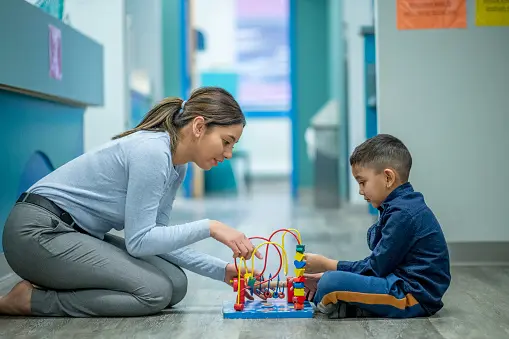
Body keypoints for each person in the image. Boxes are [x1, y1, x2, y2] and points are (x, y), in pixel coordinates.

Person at [0, 86, 262, 317]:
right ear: (198, 126)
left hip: (75, 233)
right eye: (226, 142)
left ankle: (56, 280)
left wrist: (222, 271)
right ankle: (33, 301)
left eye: (233, 146)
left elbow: (156, 238)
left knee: (176, 284)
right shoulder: (152, 152)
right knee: (154, 292)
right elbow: (139, 242)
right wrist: (210, 227)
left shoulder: (176, 165)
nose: (228, 153)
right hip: (37, 233)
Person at [302, 134, 451, 319]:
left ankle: (346, 301)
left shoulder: (403, 214)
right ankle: (354, 306)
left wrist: (328, 265)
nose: (360, 190)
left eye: (362, 182)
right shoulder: (397, 207)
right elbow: (378, 259)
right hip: (397, 281)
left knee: (330, 282)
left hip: (412, 295)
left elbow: (374, 268)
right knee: (329, 281)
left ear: (388, 177)